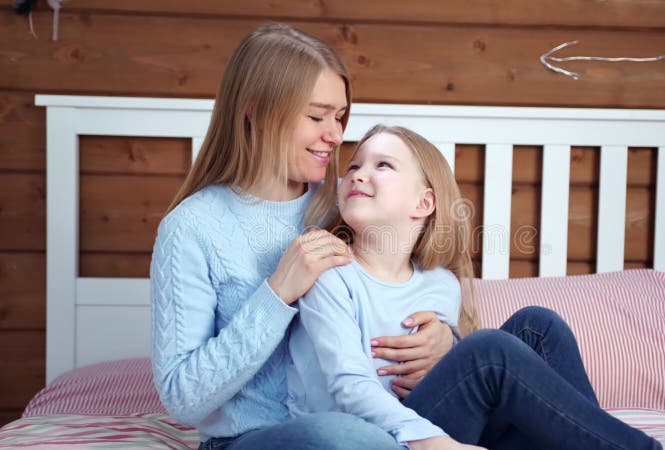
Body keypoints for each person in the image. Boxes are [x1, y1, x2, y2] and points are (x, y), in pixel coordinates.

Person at [288, 124, 665, 450]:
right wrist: (434, 440)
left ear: (423, 202)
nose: (358, 173)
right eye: (353, 166)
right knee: (489, 350)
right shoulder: (331, 274)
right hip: (395, 440)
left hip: (456, 432)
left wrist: (451, 347)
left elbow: (461, 385)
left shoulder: (441, 287)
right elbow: (347, 388)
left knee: (537, 326)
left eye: (382, 164)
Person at [149, 23, 456, 450]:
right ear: (256, 111)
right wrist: (277, 294)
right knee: (338, 434)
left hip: (376, 423)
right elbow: (182, 399)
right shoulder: (192, 228)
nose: (336, 135)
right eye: (316, 116)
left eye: (339, 116)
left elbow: (417, 278)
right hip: (255, 438)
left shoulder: (349, 201)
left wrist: (445, 340)